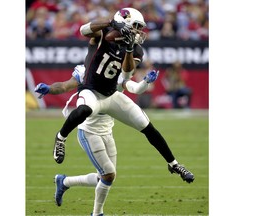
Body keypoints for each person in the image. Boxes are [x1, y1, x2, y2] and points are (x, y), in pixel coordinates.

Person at [37, 7, 194, 208]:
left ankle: (174, 165)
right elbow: (85, 30)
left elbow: (127, 76)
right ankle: (61, 138)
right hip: (91, 91)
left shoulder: (136, 49)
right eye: (136, 26)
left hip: (111, 95)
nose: (139, 31)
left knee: (146, 126)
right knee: (84, 110)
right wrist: (112, 23)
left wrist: (129, 50)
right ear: (126, 23)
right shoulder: (103, 35)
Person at [35, 64, 159, 215]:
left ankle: (64, 182)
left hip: (107, 131)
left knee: (106, 177)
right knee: (108, 175)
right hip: (89, 131)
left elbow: (133, 87)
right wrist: (49, 88)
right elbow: (64, 86)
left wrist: (144, 82)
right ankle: (97, 213)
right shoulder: (85, 71)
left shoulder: (115, 71)